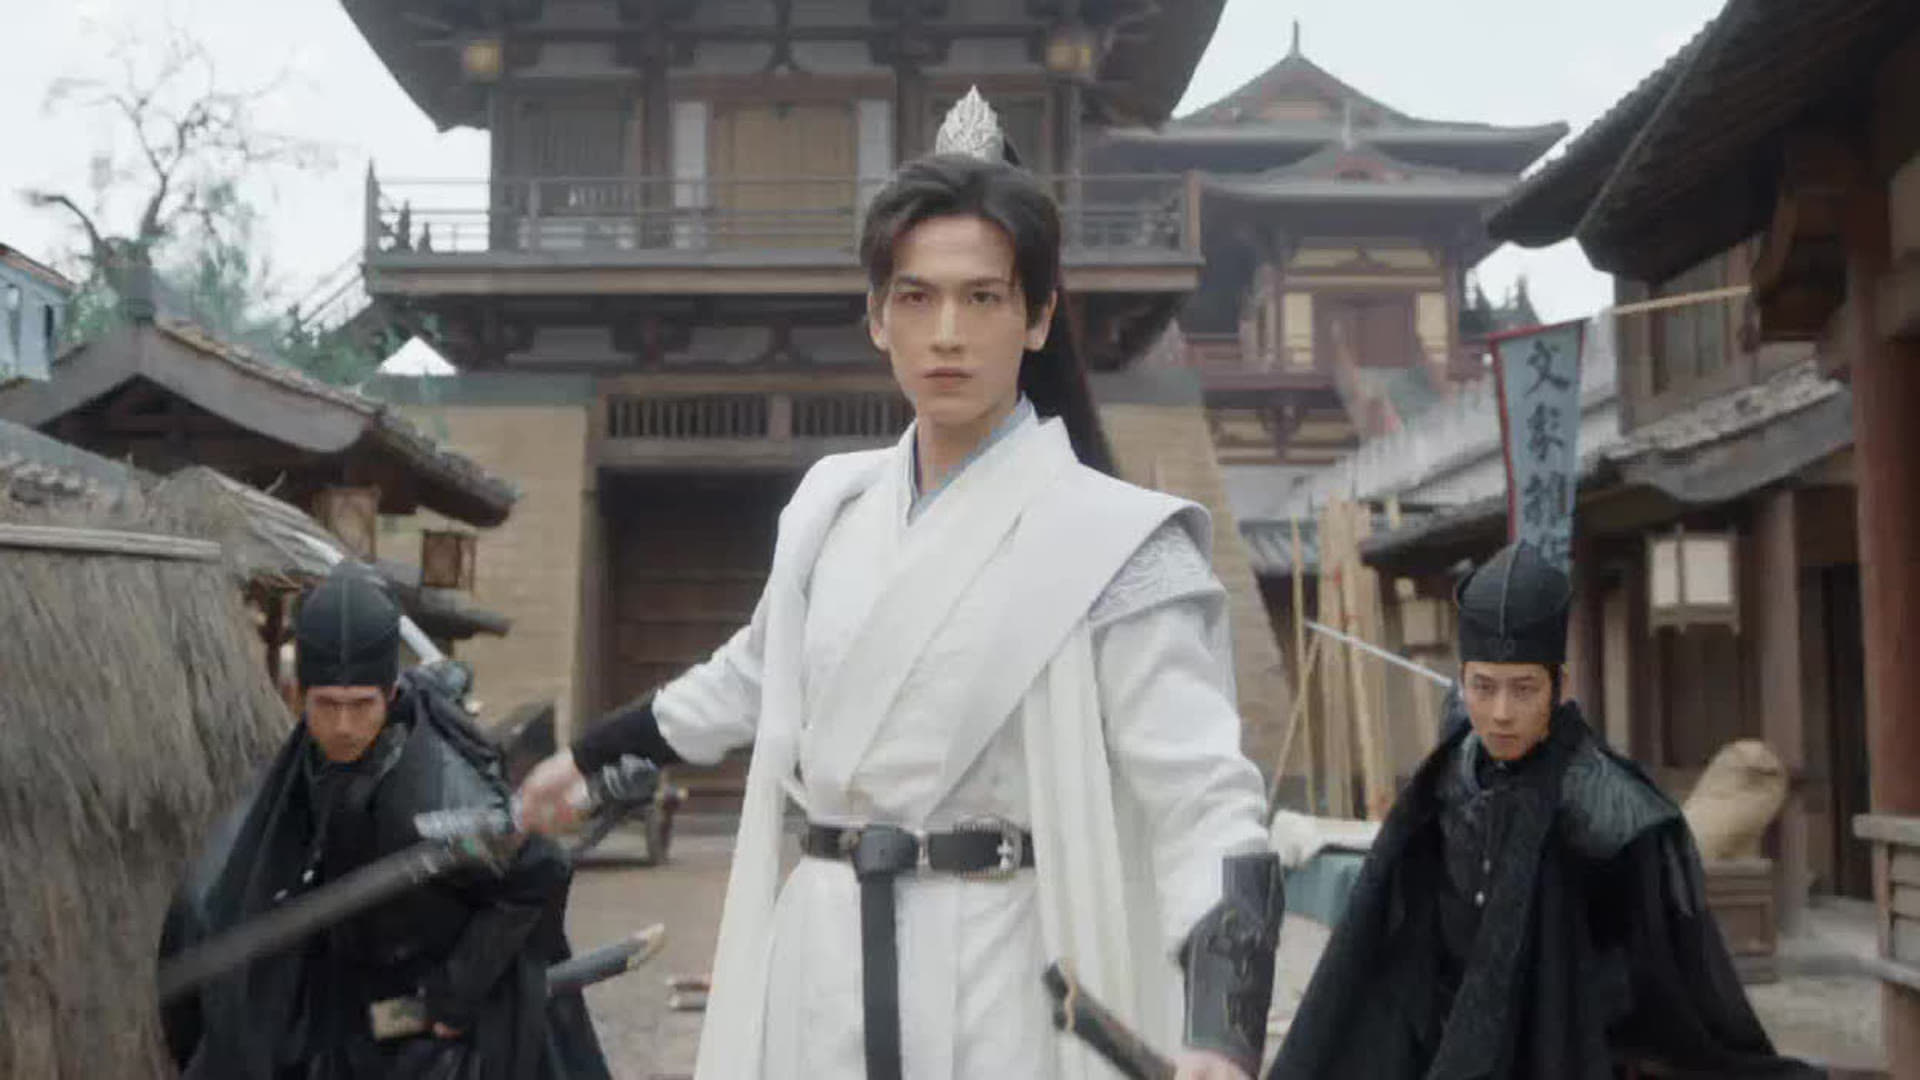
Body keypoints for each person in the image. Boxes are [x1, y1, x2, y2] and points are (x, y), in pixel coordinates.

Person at [516, 89, 1282, 1080]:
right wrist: (588, 759)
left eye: (984, 298)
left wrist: (1221, 1031)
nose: (947, 332)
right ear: (877, 318)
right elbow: (751, 677)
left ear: (1039, 317)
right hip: (823, 958)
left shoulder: (1117, 543)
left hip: (1001, 979)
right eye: (916, 298)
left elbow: (1203, 802)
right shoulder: (830, 508)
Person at [1267, 541, 1818, 1080]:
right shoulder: (1447, 777)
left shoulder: (1608, 804)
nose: (1501, 713)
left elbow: (1665, 981)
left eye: (1524, 689)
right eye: (1484, 688)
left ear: (1559, 687)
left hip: (1564, 1045)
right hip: (1448, 1040)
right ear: (1462, 683)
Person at [160, 564, 610, 1080]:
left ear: (390, 693)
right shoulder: (307, 763)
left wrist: (455, 991)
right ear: (298, 694)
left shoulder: (438, 798)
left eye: (360, 706)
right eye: (326, 705)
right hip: (351, 1003)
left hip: (430, 1031)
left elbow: (538, 864)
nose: (343, 726)